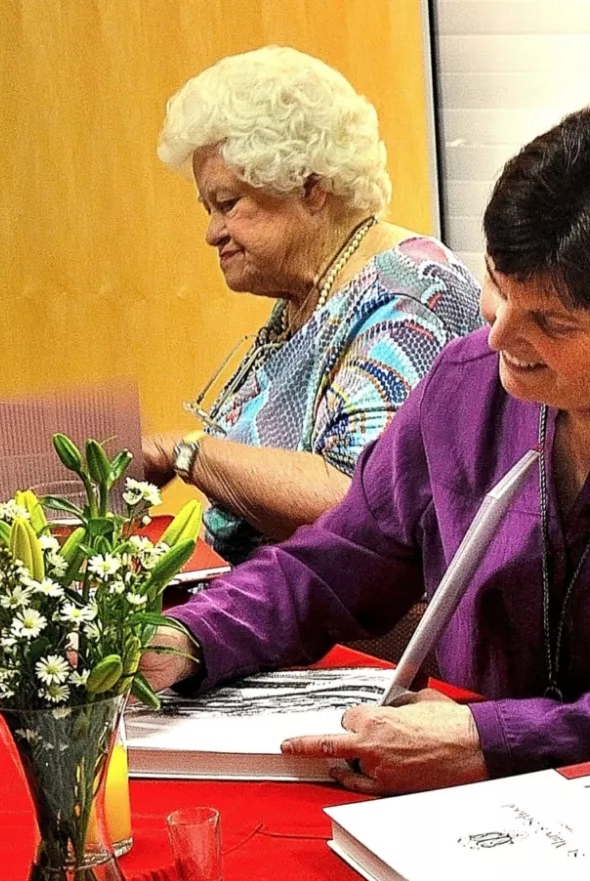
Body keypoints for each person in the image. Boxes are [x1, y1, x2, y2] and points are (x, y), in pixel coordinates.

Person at [142, 105, 590, 793]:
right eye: (496, 287)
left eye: (552, 322)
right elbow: (334, 565)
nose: (500, 336)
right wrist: (191, 639)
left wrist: (496, 738)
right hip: (467, 796)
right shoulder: (466, 379)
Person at [146, 47, 482, 563]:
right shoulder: (309, 297)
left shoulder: (408, 296)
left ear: (311, 188)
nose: (213, 232)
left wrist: (188, 453)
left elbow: (356, 504)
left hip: (362, 612)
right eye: (208, 209)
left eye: (228, 204)